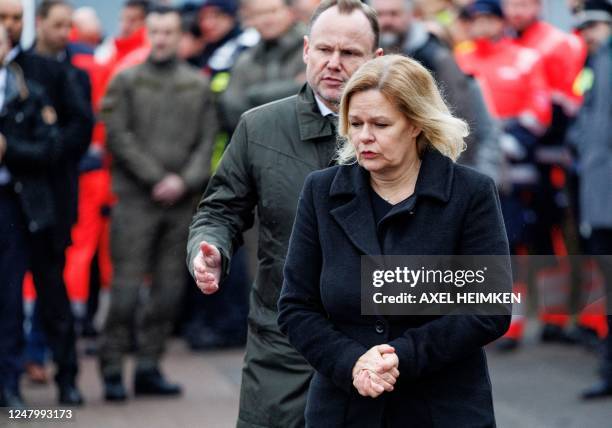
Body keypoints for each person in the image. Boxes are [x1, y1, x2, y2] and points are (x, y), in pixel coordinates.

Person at [277, 54, 512, 427]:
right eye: (355, 123)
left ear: (417, 124)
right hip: (345, 407)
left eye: (381, 124)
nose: (364, 136)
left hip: (443, 408)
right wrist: (351, 362)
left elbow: (488, 308)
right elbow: (295, 306)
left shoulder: (470, 193)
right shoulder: (321, 192)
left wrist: (399, 356)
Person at [188, 1, 383, 426]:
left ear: (377, 60)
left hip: (376, 343)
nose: (334, 64)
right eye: (324, 50)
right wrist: (210, 251)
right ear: (305, 50)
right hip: (282, 339)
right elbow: (220, 210)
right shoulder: (259, 127)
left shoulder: (407, 130)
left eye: (350, 54)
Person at [98, 6, 217, 402]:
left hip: (182, 203)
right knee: (126, 292)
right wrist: (155, 177)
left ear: (179, 34)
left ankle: (149, 365)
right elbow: (116, 134)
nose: (163, 39)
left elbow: (207, 140)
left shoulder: (197, 85)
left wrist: (184, 180)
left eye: (169, 32)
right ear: (148, 33)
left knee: (169, 291)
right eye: (156, 32)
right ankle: (112, 368)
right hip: (136, 200)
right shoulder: (127, 80)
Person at [0, 0, 94, 405]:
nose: (10, 26)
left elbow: (71, 138)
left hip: (47, 203)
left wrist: (17, 151)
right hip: (10, 202)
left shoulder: (53, 73)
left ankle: (66, 377)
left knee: (53, 295)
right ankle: (11, 383)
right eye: (3, 18)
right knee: (7, 296)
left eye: (15, 17)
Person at [372, 0, 502, 183]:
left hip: (446, 176)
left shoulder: (437, 59)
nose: (387, 21)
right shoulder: (363, 58)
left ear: (412, 15)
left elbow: (478, 125)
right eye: (381, 14)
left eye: (394, 14)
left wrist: (481, 181)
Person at [0, 23, 60, 408]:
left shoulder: (28, 93)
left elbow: (49, 150)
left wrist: (9, 150)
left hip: (11, 203)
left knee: (8, 297)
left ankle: (8, 382)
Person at [566, 0, 612, 400]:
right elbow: (588, 122)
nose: (588, 33)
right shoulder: (595, 63)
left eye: (594, 24)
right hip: (598, 195)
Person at [220, 0, 306, 130]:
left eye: (272, 11)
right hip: (258, 139)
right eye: (258, 14)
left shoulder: (312, 50)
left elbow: (313, 101)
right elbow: (232, 110)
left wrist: (253, 96)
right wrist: (294, 86)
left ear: (291, 12)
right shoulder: (246, 59)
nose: (266, 20)